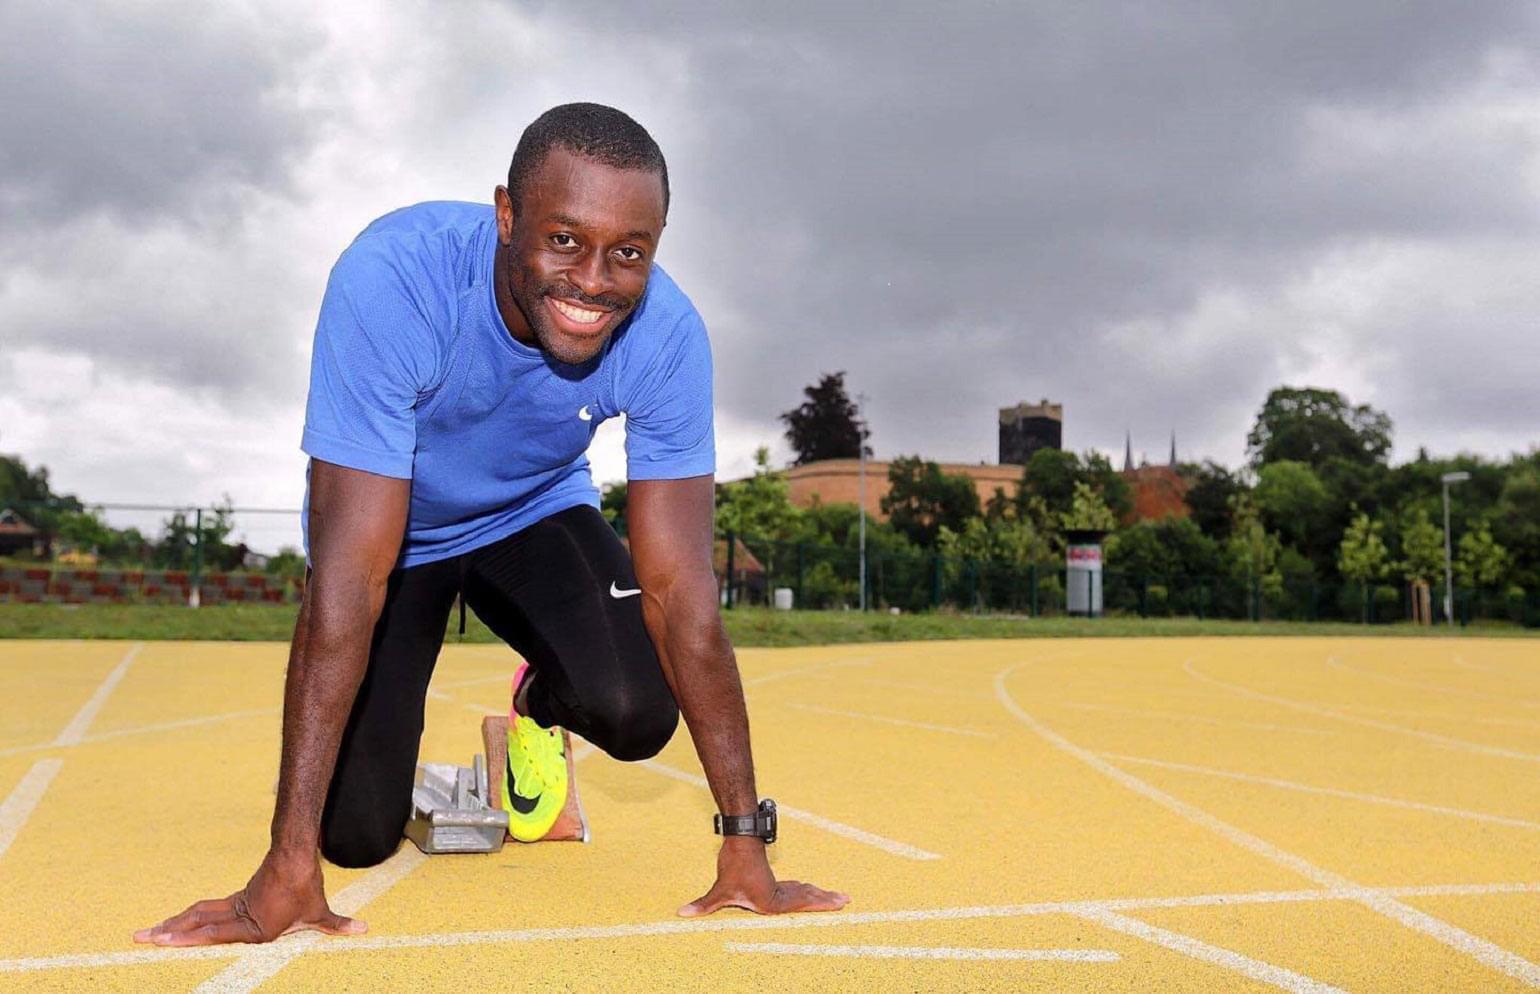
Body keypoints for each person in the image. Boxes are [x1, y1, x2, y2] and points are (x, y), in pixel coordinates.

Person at [135, 103, 848, 946]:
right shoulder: (395, 280)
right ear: (507, 215)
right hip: (400, 538)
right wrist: (286, 866)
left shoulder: (667, 336)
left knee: (633, 710)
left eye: (629, 252)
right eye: (564, 241)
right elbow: (349, 580)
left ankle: (538, 705)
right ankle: (319, 835)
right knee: (355, 837)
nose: (592, 281)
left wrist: (745, 844)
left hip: (533, 512)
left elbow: (681, 593)